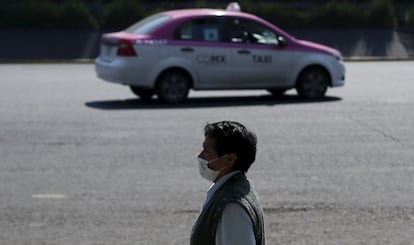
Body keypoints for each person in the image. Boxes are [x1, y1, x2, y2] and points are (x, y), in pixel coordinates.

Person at [191, 121, 265, 245]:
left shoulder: (231, 207)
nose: (200, 156)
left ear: (229, 159)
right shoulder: (233, 190)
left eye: (207, 152)